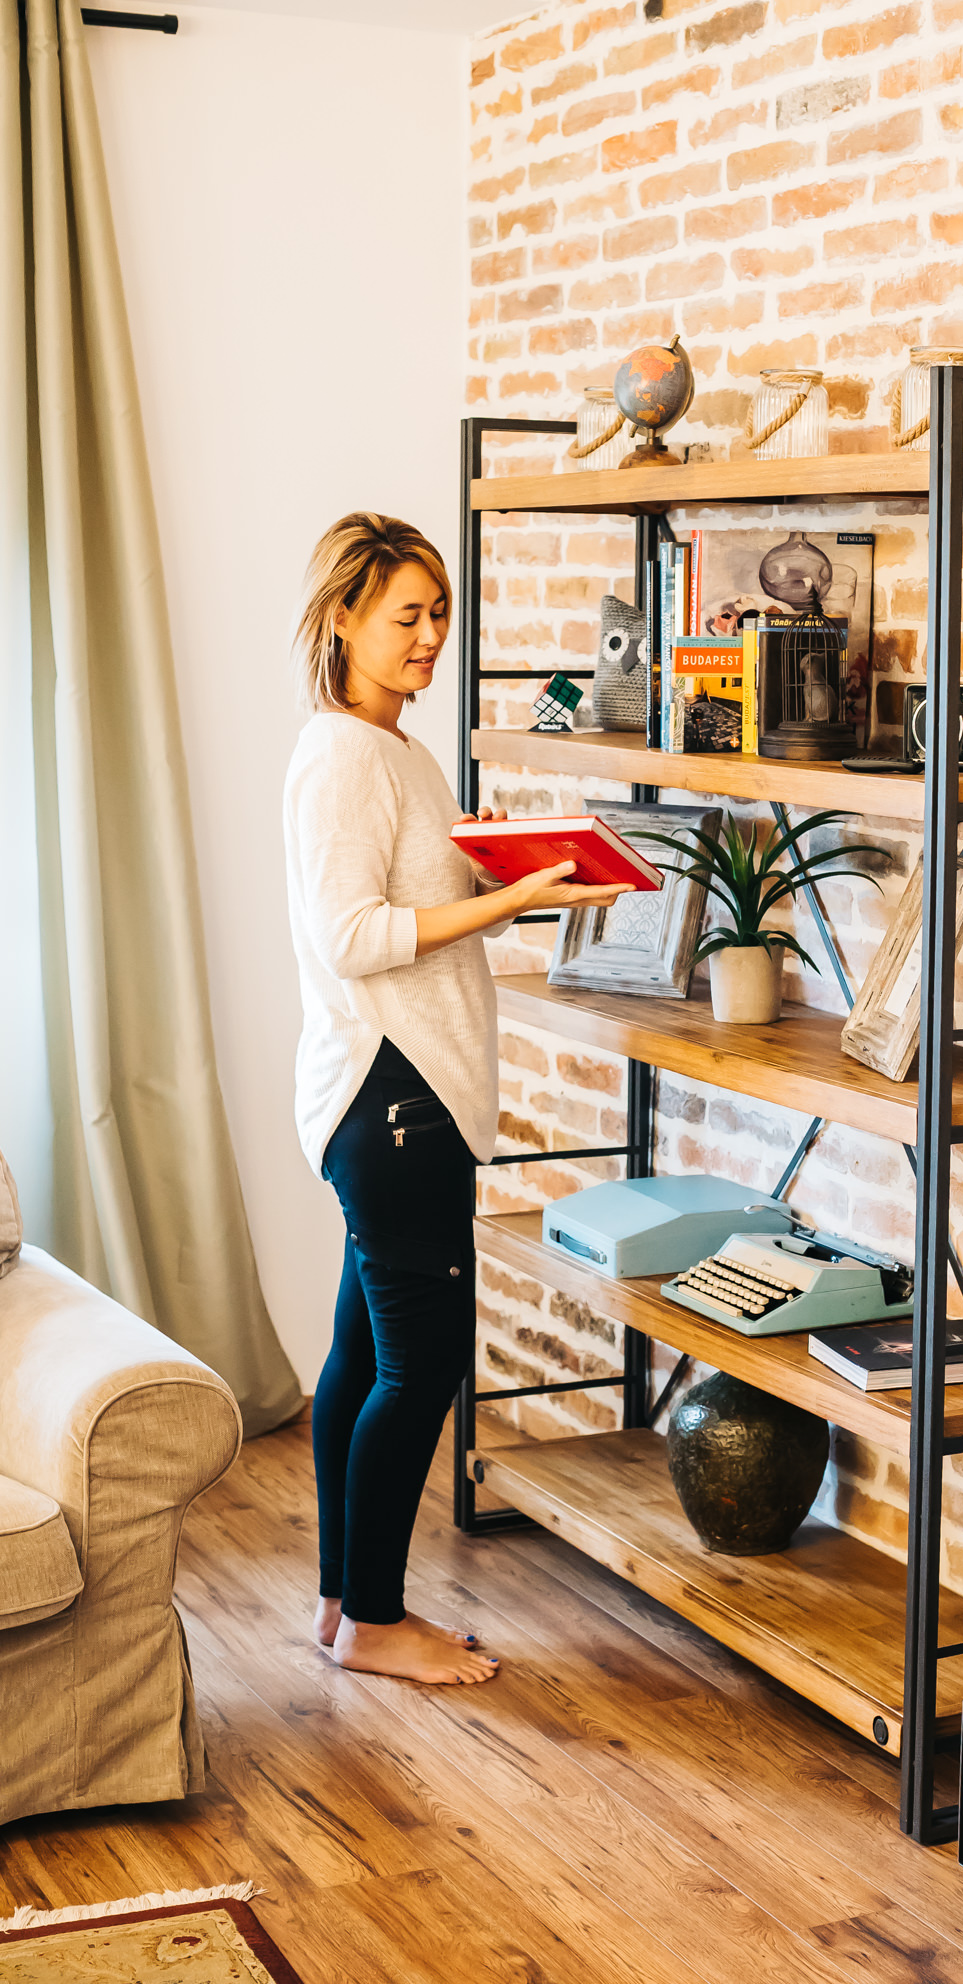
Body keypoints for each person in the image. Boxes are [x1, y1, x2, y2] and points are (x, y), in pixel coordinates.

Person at [285, 512, 630, 1685]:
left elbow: (413, 902)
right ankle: (376, 1622)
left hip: (395, 1090)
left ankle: (342, 1601)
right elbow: (352, 936)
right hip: (396, 1095)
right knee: (419, 1364)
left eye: (440, 612)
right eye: (406, 615)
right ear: (343, 617)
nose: (431, 635)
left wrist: (520, 878)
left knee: (359, 1352)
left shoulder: (395, 748)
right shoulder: (346, 756)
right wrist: (510, 900)